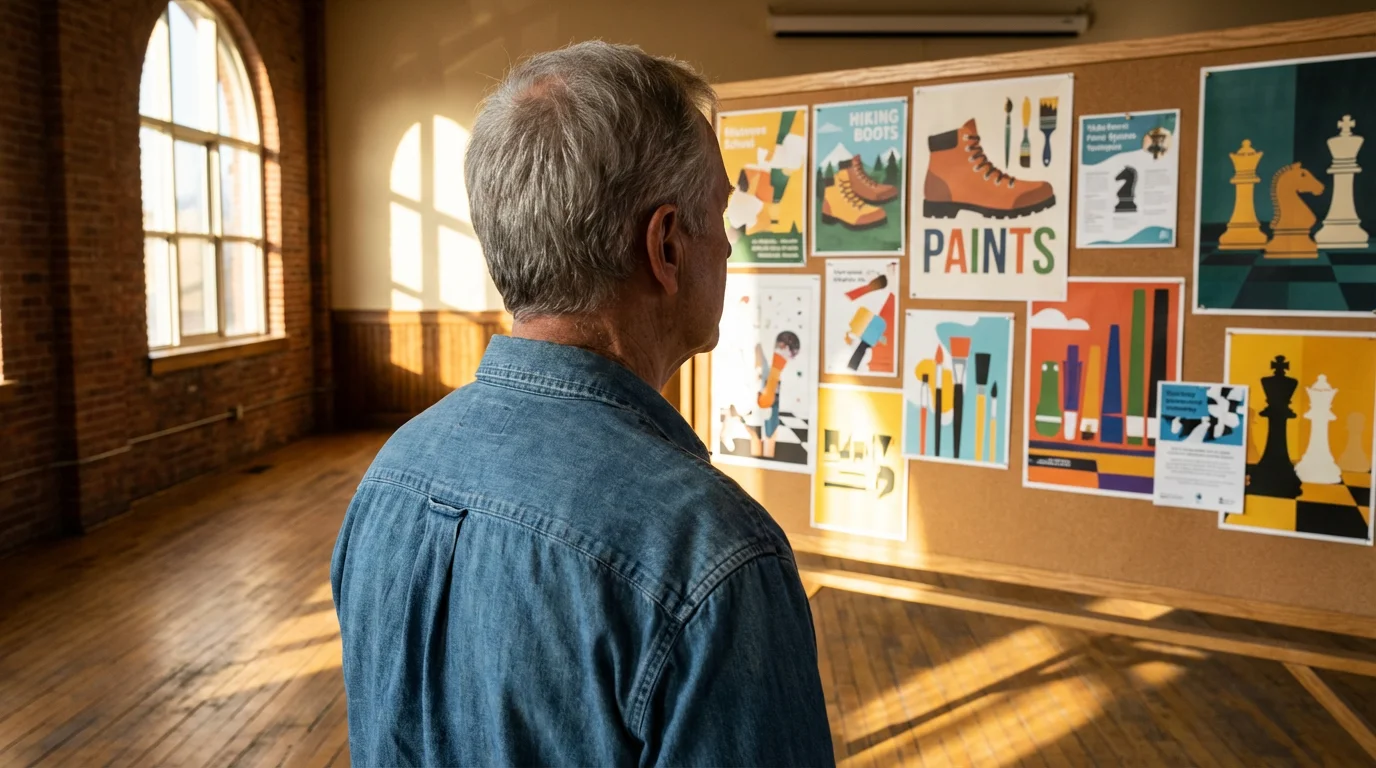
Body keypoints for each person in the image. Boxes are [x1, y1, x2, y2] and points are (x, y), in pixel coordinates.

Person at [331, 41, 834, 767]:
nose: (727, 245)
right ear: (666, 246)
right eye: (721, 214)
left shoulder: (390, 474)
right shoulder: (712, 553)